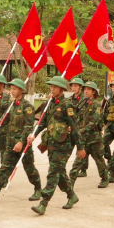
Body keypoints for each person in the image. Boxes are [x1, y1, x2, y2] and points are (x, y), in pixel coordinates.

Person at [28, 76, 85, 215]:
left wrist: (80, 147)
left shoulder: (67, 105)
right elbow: (42, 122)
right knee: (59, 173)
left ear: (61, 88)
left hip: (63, 145)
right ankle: (71, 195)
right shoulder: (50, 103)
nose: (52, 89)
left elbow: (75, 127)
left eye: (54, 87)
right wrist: (34, 133)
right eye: (51, 87)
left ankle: (44, 203)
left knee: (53, 173)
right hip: (52, 143)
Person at [0, 78, 42, 202]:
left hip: (22, 144)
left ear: (21, 91)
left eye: (14, 89)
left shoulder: (27, 107)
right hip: (11, 143)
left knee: (29, 168)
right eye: (11, 88)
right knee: (5, 167)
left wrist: (21, 142)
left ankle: (38, 188)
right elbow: (2, 120)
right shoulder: (12, 105)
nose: (11, 91)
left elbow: (29, 127)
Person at [69, 81, 109, 187]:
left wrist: (80, 130)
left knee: (99, 160)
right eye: (85, 89)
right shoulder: (82, 104)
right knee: (78, 161)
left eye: (89, 89)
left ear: (93, 92)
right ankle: (70, 181)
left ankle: (105, 178)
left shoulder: (97, 105)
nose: (86, 91)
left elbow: (94, 122)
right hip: (83, 138)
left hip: (95, 138)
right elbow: (77, 118)